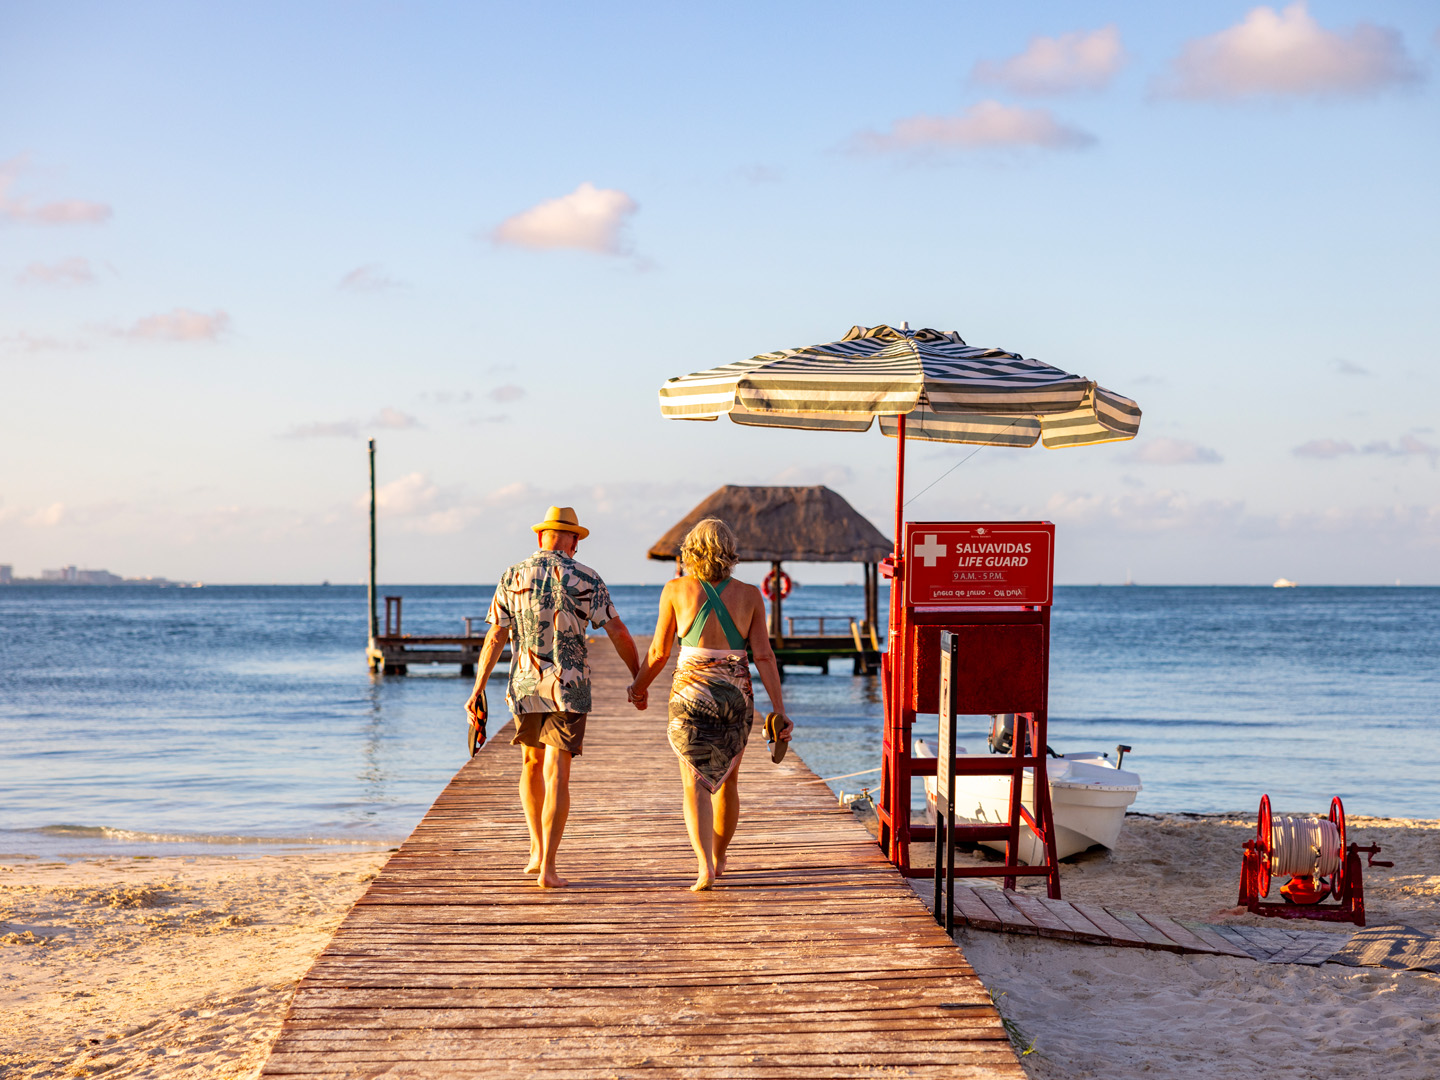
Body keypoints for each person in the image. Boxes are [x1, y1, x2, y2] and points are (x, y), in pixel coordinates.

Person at [466, 506, 641, 889]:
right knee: (557, 773)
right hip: (569, 685)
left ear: (541, 537)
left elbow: (495, 637)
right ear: (573, 540)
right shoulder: (587, 577)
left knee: (531, 763)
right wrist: (638, 679)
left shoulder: (512, 575)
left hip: (525, 685)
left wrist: (477, 688)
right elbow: (618, 631)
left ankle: (534, 850)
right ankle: (548, 866)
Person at [628, 517, 792, 892]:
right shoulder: (751, 595)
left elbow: (657, 652)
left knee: (694, 781)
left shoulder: (675, 589)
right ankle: (720, 857)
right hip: (735, 694)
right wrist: (780, 709)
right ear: (729, 551)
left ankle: (704, 866)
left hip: (691, 694)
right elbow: (764, 656)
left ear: (690, 551)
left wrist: (638, 688)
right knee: (729, 779)